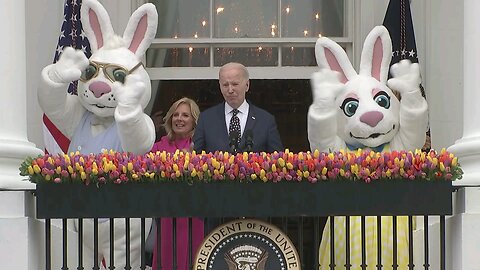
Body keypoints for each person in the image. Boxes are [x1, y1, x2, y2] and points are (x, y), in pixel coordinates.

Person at [150, 97, 204, 270]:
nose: (179, 118)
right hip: (167, 216)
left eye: (185, 115)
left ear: (194, 120)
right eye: (176, 114)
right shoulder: (158, 147)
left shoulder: (201, 146)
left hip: (194, 216)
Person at [193, 62, 283, 154]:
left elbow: (277, 160)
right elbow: (196, 158)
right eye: (225, 85)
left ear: (247, 85)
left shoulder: (266, 120)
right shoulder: (206, 119)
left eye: (235, 84)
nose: (230, 90)